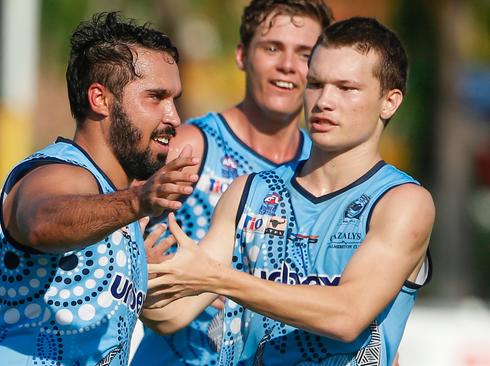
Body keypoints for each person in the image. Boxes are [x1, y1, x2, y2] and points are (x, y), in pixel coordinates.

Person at [144, 17, 434, 365]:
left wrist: (218, 278)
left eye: (346, 88)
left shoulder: (402, 202)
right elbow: (172, 315)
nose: (324, 100)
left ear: (389, 102)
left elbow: (347, 316)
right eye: (315, 83)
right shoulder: (249, 192)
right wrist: (145, 277)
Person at [0, 12, 199, 366]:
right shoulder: (62, 170)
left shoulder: (117, 209)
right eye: (155, 97)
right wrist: (139, 200)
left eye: (174, 99)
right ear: (99, 99)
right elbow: (41, 222)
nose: (173, 117)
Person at [133, 1, 332, 365]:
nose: (287, 65)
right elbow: (114, 229)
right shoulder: (190, 148)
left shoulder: (325, 166)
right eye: (272, 48)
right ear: (242, 55)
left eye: (305, 53)